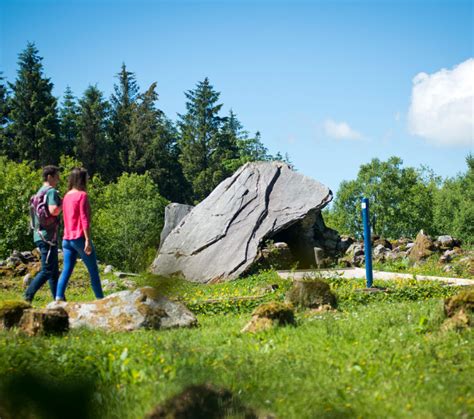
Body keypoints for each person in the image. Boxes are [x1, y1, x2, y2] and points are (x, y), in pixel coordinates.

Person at [55, 167, 104, 301]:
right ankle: (101, 300)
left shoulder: (66, 196)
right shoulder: (82, 195)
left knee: (66, 270)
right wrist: (87, 240)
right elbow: (84, 219)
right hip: (79, 238)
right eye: (86, 177)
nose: (88, 179)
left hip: (67, 239)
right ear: (81, 179)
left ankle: (58, 298)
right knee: (93, 271)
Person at [24, 165, 62, 303]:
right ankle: (27, 296)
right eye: (57, 176)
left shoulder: (39, 192)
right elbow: (53, 211)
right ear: (50, 177)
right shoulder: (51, 192)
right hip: (48, 237)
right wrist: (64, 204)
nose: (58, 179)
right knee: (47, 271)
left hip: (38, 234)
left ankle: (59, 300)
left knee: (53, 272)